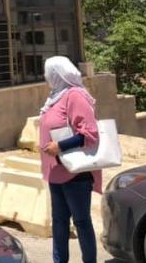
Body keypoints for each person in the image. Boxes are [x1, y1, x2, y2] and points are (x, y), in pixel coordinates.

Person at [39, 56, 101, 263]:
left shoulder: (74, 95)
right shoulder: (55, 97)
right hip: (56, 171)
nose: (45, 76)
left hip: (75, 173)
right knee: (59, 222)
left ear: (57, 74)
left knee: (81, 222)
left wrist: (60, 146)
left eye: (48, 72)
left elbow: (90, 133)